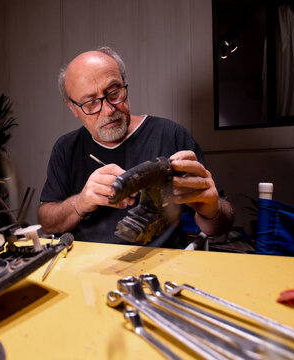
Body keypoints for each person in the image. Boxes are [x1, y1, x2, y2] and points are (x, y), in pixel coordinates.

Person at [38, 46, 234, 247]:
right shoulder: (66, 148)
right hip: (88, 269)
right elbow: (47, 223)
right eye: (90, 103)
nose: (107, 110)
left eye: (114, 92)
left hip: (162, 266)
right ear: (73, 108)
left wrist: (212, 208)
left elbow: (220, 226)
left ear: (125, 85)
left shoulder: (171, 135)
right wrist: (79, 203)